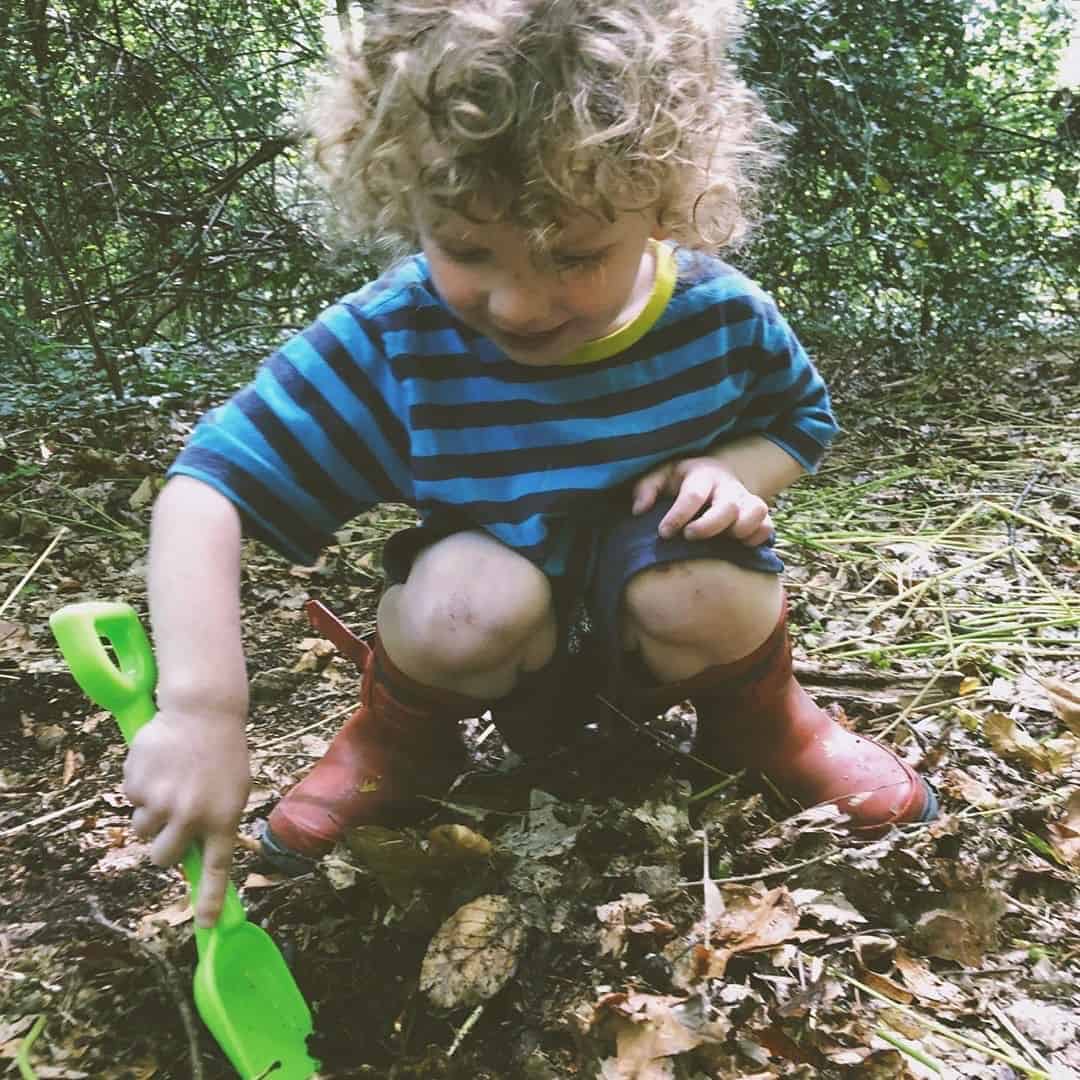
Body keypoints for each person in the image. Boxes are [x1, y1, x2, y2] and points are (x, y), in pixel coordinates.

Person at [124, 0, 937, 928]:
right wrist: (200, 710)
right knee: (468, 595)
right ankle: (406, 742)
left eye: (576, 253)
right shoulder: (396, 337)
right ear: (401, 194)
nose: (517, 302)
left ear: (664, 197)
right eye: (467, 248)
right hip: (495, 632)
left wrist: (737, 473)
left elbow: (801, 419)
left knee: (707, 585)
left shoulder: (719, 318)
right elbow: (208, 486)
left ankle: (763, 723)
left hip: (667, 611)